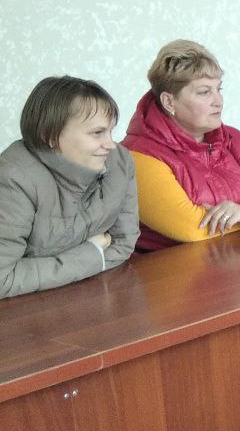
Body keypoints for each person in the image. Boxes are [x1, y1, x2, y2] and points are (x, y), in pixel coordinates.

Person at [122, 40, 240, 251]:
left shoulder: (236, 141)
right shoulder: (137, 156)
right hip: (170, 270)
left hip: (235, 260)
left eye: (218, 89)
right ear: (169, 102)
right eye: (204, 92)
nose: (219, 101)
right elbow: (192, 228)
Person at [0, 76, 139, 298]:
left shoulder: (120, 162)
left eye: (111, 131)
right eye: (97, 133)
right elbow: (3, 278)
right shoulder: (13, 179)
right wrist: (92, 253)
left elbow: (123, 245)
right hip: (26, 312)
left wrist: (42, 269)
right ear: (50, 136)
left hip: (93, 296)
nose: (110, 145)